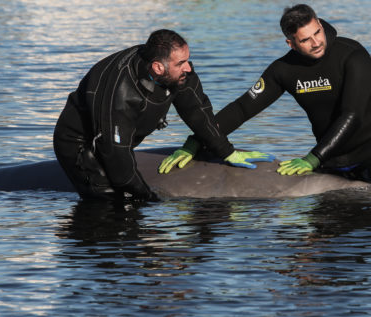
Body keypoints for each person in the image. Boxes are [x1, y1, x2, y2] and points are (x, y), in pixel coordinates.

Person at [160, 4, 371, 183]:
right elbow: (242, 108)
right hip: (333, 159)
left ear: (319, 23)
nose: (316, 42)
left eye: (317, 32)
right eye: (306, 40)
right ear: (291, 44)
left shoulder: (352, 55)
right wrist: (195, 142)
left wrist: (313, 158)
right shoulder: (283, 70)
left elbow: (352, 115)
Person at [53, 29, 273, 201]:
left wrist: (227, 152)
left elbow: (198, 113)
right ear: (158, 67)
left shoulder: (177, 72)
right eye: (181, 63)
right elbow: (116, 159)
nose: (188, 68)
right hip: (81, 144)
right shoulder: (120, 94)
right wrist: (150, 198)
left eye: (188, 60)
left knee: (130, 193)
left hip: (117, 139)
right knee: (114, 203)